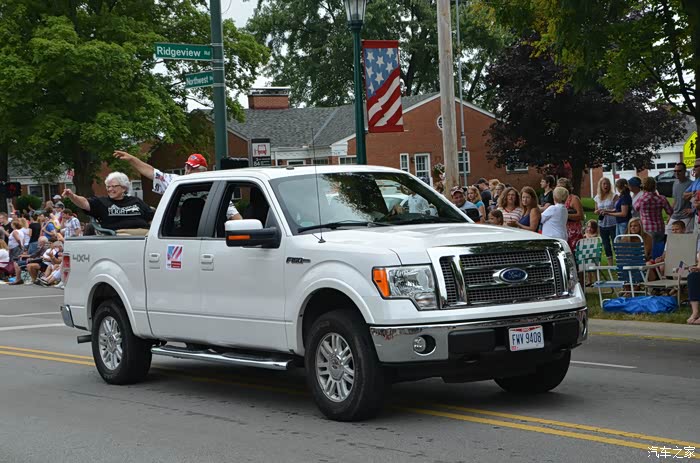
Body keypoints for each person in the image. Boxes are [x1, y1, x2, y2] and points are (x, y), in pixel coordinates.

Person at [62, 172, 154, 232]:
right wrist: (72, 196)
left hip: (143, 234)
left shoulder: (136, 201)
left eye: (113, 186)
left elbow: (151, 218)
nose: (110, 189)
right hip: (117, 237)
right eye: (108, 186)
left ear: (124, 188)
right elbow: (84, 203)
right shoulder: (102, 202)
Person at [114, 150, 208, 195]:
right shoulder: (175, 181)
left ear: (203, 171)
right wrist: (131, 159)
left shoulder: (211, 182)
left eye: (193, 168)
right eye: (187, 167)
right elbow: (151, 171)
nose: (188, 171)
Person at [635, 177, 673, 248]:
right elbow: (670, 211)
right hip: (659, 228)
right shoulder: (662, 198)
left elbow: (636, 208)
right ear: (655, 186)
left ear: (643, 186)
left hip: (646, 228)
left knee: (648, 249)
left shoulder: (641, 199)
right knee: (659, 248)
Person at [593, 177, 617, 262]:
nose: (606, 186)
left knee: (615, 244)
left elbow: (617, 209)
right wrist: (598, 211)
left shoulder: (614, 196)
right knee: (606, 245)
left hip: (613, 223)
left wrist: (607, 211)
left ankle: (619, 262)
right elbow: (595, 210)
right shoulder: (597, 197)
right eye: (604, 184)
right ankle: (610, 264)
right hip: (602, 224)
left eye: (607, 184)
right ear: (600, 185)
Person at [557, 178, 584, 251]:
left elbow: (581, 216)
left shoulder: (574, 199)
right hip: (563, 229)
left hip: (573, 230)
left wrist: (566, 215)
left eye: (561, 187)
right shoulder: (559, 199)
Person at [667, 163, 694, 234]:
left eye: (679, 171)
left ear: (685, 171)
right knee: (668, 234)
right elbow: (675, 200)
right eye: (675, 171)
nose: (677, 173)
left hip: (686, 217)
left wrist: (692, 210)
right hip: (675, 215)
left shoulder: (691, 184)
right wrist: (669, 214)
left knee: (686, 237)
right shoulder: (675, 183)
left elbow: (696, 199)